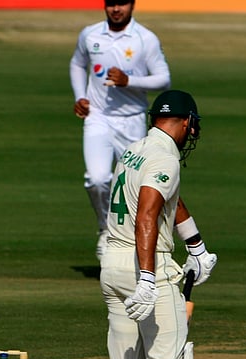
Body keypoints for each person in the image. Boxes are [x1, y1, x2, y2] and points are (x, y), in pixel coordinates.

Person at [99, 90, 217, 359]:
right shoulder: (165, 158)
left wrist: (196, 246)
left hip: (112, 266)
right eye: (191, 126)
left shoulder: (135, 151)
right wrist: (148, 278)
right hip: (145, 265)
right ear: (185, 122)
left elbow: (169, 198)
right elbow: (148, 214)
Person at [69, 0, 171, 260]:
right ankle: (106, 228)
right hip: (98, 118)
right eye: (111, 4)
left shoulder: (144, 39)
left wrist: (129, 81)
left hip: (132, 120)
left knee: (134, 186)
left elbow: (163, 78)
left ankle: (134, 244)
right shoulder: (90, 34)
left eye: (122, 4)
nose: (116, 9)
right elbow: (78, 64)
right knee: (98, 179)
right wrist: (80, 96)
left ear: (132, 5)